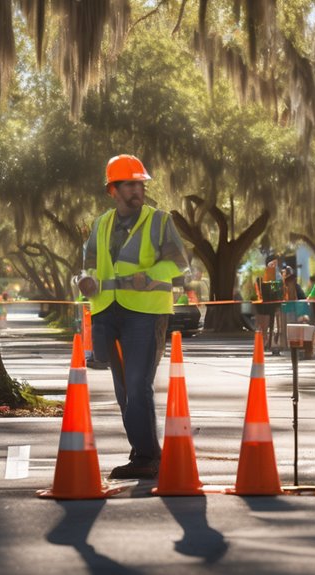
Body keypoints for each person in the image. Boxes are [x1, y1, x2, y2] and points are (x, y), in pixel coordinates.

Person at [76, 154, 190, 480]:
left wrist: (152, 274)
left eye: (140, 183)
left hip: (145, 312)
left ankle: (147, 456)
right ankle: (143, 452)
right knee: (124, 388)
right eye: (129, 184)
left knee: (139, 384)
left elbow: (179, 262)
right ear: (112, 189)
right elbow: (89, 265)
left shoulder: (158, 221)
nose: (137, 190)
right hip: (107, 312)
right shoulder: (100, 224)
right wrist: (84, 281)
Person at [255, 255, 284, 356]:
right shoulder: (261, 275)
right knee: (263, 325)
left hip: (274, 304)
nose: (274, 265)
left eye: (276, 263)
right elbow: (258, 288)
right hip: (263, 305)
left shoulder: (278, 275)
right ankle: (264, 342)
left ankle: (273, 344)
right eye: (272, 263)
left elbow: (279, 289)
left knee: (274, 325)